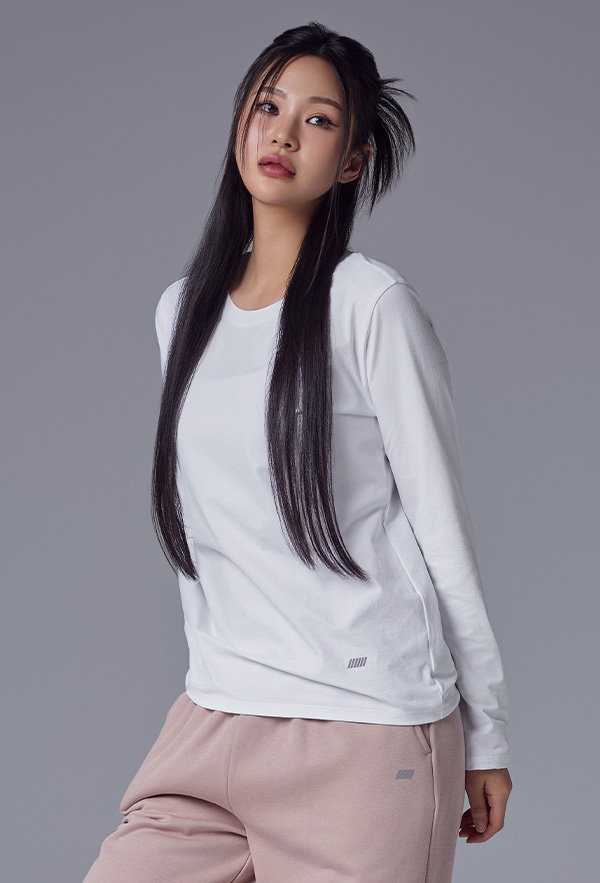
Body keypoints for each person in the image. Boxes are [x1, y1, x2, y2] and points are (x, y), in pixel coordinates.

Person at [82, 20, 512, 883]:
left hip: (365, 732)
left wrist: (487, 733)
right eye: (268, 106)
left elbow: (440, 529)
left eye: (318, 120)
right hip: (214, 718)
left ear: (351, 160)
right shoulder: (182, 311)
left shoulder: (370, 305)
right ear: (239, 122)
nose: (282, 133)